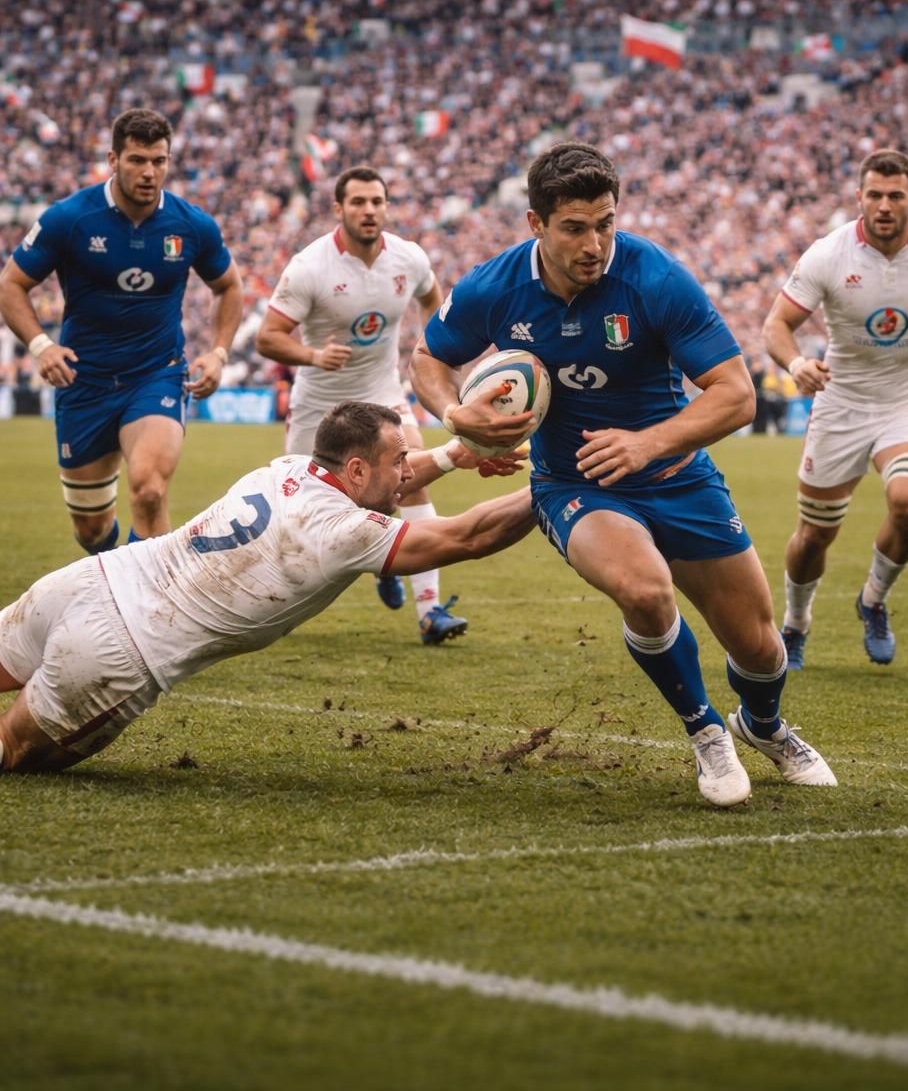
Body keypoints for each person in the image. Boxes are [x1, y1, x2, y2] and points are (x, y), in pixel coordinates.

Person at [411, 141, 835, 809]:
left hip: (677, 475)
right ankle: (704, 731)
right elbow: (428, 359)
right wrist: (457, 416)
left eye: (606, 223)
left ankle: (761, 724)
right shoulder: (495, 287)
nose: (595, 243)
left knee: (760, 649)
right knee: (645, 590)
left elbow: (736, 395)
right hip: (573, 483)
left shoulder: (654, 276)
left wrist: (648, 444)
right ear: (536, 226)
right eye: (575, 227)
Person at [0, 402, 532, 773]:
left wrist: (452, 455)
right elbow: (471, 536)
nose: (404, 475)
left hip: (88, 582)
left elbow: (381, 478)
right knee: (11, 753)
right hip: (117, 651)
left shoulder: (289, 467)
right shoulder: (341, 532)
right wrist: (550, 488)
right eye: (398, 462)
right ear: (354, 467)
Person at [762, 148, 908, 670]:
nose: (885, 205)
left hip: (907, 402)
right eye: (874, 195)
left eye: (896, 195)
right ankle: (796, 623)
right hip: (841, 405)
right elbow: (776, 326)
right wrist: (796, 363)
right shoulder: (828, 255)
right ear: (859, 199)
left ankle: (872, 600)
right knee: (814, 536)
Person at [0, 108, 243, 552]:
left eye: (158, 161)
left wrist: (219, 352)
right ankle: (114, 572)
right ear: (113, 159)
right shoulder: (69, 218)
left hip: (156, 373)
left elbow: (228, 286)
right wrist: (40, 345)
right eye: (137, 160)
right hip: (83, 381)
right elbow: (12, 283)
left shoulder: (191, 225)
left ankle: (149, 612)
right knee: (91, 532)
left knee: (150, 490)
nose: (149, 172)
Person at [255, 166, 462, 644]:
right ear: (338, 209)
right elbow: (269, 337)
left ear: (386, 207)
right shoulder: (310, 267)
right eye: (358, 202)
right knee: (298, 511)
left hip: (382, 391)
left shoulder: (408, 259)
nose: (368, 211)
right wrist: (312, 355)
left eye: (376, 202)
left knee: (408, 478)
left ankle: (431, 613)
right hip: (319, 404)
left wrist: (436, 348)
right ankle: (272, 604)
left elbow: (435, 302)